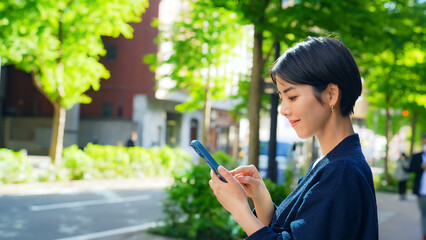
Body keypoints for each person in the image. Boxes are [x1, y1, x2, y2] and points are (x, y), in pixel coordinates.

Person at [208, 37, 378, 239]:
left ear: (331, 94)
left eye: (292, 97)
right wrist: (261, 197)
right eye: (282, 98)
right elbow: (293, 232)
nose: (284, 110)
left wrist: (239, 210)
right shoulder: (331, 163)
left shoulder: (342, 171)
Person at [408, 134, 426, 240]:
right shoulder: (417, 156)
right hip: (422, 193)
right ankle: (424, 234)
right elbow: (411, 168)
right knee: (424, 214)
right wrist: (421, 167)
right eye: (424, 142)